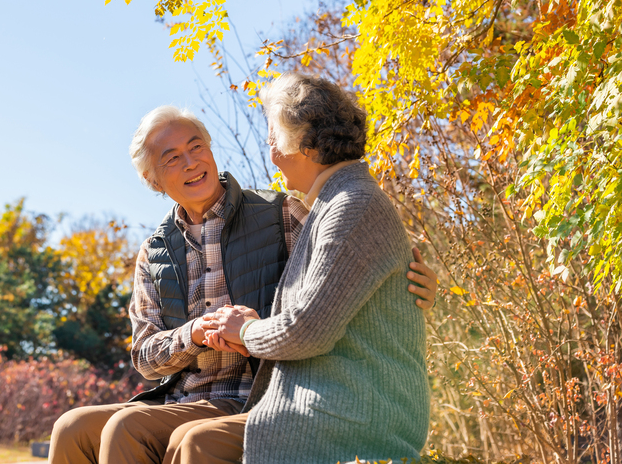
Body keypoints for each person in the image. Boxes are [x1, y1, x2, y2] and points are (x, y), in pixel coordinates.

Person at [47, 104, 436, 464]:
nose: (190, 162)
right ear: (153, 180)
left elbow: (346, 272)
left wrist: (411, 280)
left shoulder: (281, 212)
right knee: (71, 428)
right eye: (172, 158)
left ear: (211, 150)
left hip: (257, 393)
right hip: (181, 397)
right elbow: (145, 359)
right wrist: (193, 334)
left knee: (126, 428)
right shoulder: (154, 253)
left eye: (196, 146)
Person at [179, 73, 430, 464]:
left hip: (354, 412)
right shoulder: (333, 204)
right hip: (330, 401)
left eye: (273, 140)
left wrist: (245, 331)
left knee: (199, 444)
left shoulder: (352, 205)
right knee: (191, 440)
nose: (272, 154)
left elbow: (307, 330)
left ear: (306, 145)